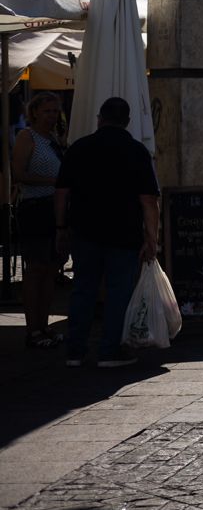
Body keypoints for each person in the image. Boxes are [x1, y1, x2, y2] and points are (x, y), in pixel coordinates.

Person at [57, 97, 160, 368]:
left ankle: (75, 352)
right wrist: (152, 237)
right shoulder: (137, 151)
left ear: (99, 118)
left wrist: (61, 227)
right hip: (124, 233)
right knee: (118, 293)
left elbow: (62, 193)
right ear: (127, 122)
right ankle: (109, 350)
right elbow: (149, 200)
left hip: (84, 231)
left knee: (83, 290)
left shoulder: (79, 148)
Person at [13, 93, 66, 349]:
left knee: (51, 269)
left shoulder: (55, 138)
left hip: (56, 209)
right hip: (35, 208)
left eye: (55, 111)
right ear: (34, 112)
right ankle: (32, 329)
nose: (52, 116)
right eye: (47, 111)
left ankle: (44, 325)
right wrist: (53, 182)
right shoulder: (27, 137)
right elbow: (19, 174)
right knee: (36, 269)